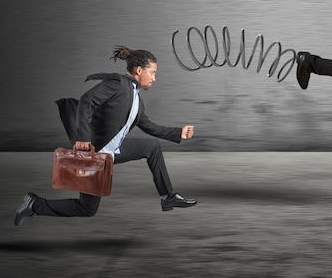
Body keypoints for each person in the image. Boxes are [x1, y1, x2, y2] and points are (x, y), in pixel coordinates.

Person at [14, 46, 197, 226]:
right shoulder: (118, 83)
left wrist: (177, 132)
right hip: (95, 154)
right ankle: (34, 204)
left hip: (112, 153)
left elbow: (148, 126)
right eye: (153, 72)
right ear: (139, 70)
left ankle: (168, 197)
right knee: (87, 209)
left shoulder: (137, 102)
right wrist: (83, 138)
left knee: (152, 146)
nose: (154, 78)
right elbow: (87, 101)